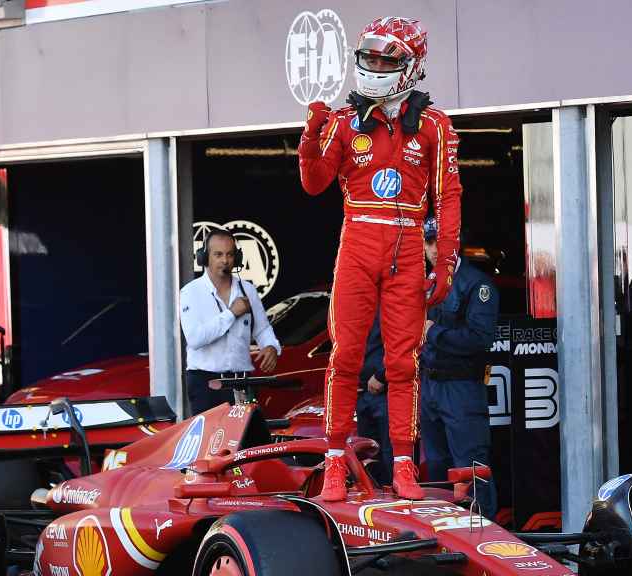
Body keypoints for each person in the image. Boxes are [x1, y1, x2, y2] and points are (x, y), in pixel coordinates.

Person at [298, 16, 462, 501]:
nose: (374, 66)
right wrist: (310, 138)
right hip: (357, 245)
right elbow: (315, 183)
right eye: (368, 57)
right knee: (345, 356)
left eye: (386, 60)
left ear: (411, 66)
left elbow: (448, 196)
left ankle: (405, 466)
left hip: (409, 246)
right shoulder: (346, 122)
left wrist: (446, 261)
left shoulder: (434, 125)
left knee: (402, 363)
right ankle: (333, 463)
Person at [419, 218, 499, 518]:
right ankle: (446, 545)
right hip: (430, 387)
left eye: (441, 240)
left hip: (462, 388)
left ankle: (491, 547)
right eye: (429, 241)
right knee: (437, 471)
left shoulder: (478, 284)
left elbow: (480, 339)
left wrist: (432, 332)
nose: (434, 248)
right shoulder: (425, 283)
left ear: (456, 242)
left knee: (471, 470)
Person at [180, 229, 280, 415]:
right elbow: (195, 339)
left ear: (237, 258)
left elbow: (263, 329)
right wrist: (231, 313)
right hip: (206, 383)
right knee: (210, 443)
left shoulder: (248, 290)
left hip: (242, 381)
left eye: (230, 254)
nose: (225, 260)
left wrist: (271, 346)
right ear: (204, 257)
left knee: (246, 442)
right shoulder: (190, 292)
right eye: (218, 254)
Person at [356, 310, 393, 485]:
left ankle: (398, 506)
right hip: (361, 391)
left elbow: (403, 343)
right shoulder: (359, 302)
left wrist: (383, 375)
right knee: (367, 456)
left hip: (387, 391)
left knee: (391, 455)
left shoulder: (391, 298)